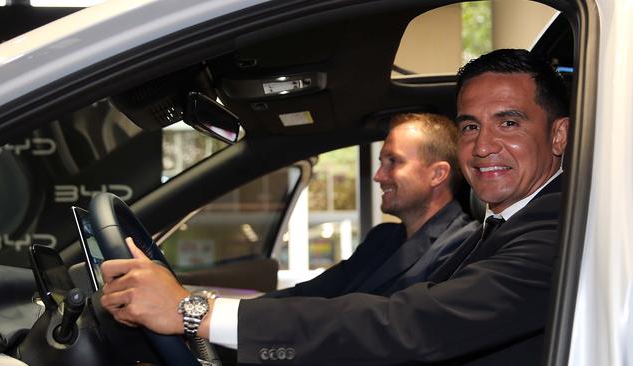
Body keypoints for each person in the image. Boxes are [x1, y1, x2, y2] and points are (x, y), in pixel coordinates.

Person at [100, 48, 569, 365]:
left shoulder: (559, 233)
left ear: (558, 135)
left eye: (508, 122)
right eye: (469, 126)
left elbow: (408, 326)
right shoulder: (503, 224)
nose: (483, 145)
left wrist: (194, 311)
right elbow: (327, 297)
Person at [267, 113, 478, 299]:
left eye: (393, 161)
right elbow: (314, 292)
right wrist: (243, 312)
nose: (378, 176)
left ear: (437, 174)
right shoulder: (382, 237)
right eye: (381, 162)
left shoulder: (464, 246)